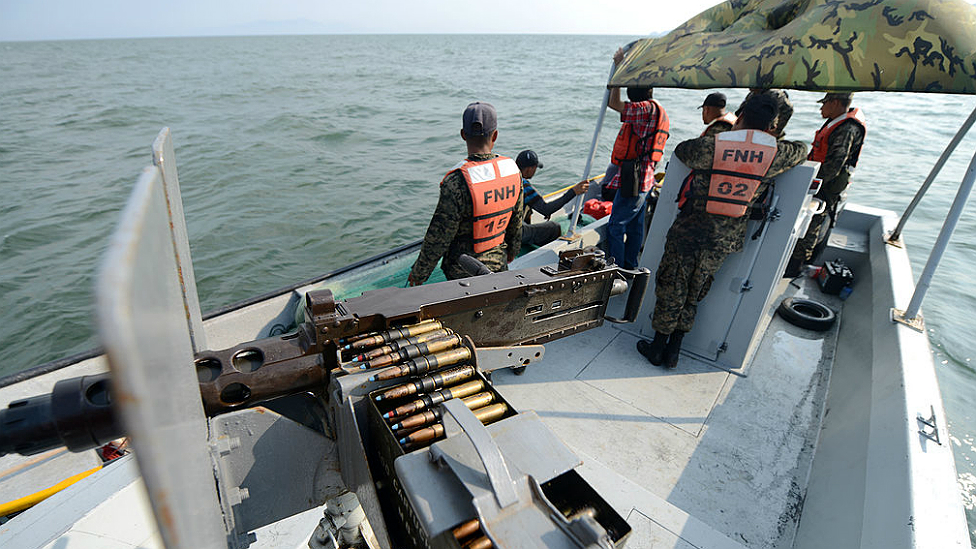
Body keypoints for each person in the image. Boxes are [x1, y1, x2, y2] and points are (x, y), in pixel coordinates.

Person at [636, 94, 808, 369]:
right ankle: (674, 352)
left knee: (672, 287)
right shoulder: (774, 154)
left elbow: (683, 150)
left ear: (739, 117)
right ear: (771, 126)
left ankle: (658, 347)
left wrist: (730, 139)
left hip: (689, 232)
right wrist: (767, 140)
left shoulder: (715, 146)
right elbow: (802, 149)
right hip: (724, 239)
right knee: (696, 291)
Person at [408, 102, 523, 285]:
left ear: (463, 134)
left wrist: (419, 274)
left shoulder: (456, 181)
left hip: (461, 272)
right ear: (495, 135)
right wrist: (512, 251)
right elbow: (516, 223)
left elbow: (438, 238)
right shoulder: (512, 171)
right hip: (498, 264)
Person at [785, 92, 866, 276]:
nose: (821, 108)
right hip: (818, 181)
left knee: (812, 224)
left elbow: (834, 164)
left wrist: (811, 184)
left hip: (826, 187)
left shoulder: (846, 129)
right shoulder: (837, 121)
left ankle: (796, 267)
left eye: (824, 104)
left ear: (835, 103)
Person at [604, 47, 670, 270]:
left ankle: (617, 269)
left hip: (636, 178)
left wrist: (616, 77)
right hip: (647, 177)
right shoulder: (658, 108)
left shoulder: (645, 109)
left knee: (615, 226)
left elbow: (614, 104)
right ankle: (631, 266)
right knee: (635, 227)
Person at [516, 150, 589, 248]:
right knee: (554, 227)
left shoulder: (510, 179)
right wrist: (573, 192)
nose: (535, 171)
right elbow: (546, 209)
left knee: (528, 208)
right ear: (529, 169)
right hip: (515, 233)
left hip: (503, 229)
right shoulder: (523, 184)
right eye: (535, 168)